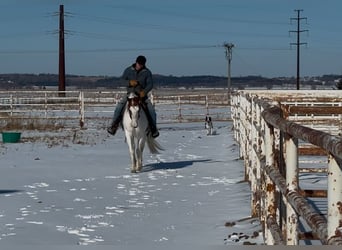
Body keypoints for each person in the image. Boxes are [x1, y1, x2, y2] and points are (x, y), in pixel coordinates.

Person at [107, 55, 159, 138]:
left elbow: (150, 84)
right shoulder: (128, 70)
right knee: (119, 106)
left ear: (144, 64)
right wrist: (129, 83)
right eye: (139, 64)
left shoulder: (147, 72)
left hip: (141, 95)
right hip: (130, 94)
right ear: (136, 62)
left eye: (141, 65)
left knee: (151, 110)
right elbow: (121, 80)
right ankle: (114, 126)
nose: (139, 66)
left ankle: (153, 129)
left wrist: (144, 92)